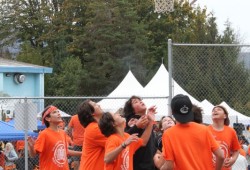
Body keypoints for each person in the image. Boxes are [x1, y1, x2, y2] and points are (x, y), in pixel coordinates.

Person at [160, 94, 224, 170]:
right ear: (190, 110)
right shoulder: (204, 129)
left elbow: (169, 166)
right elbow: (221, 156)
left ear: (173, 112)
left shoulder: (168, 134)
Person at [27, 105, 81, 170]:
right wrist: (31, 147)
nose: (58, 113)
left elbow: (65, 151)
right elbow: (33, 155)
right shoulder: (44, 134)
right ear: (48, 118)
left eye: (58, 111)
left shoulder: (62, 133)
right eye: (54, 112)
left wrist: (83, 153)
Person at [124, 95, 158, 170]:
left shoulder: (146, 119)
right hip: (140, 165)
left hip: (148, 164)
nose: (140, 102)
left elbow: (151, 145)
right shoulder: (133, 121)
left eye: (140, 100)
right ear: (132, 110)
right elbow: (142, 142)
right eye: (136, 102)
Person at [208, 105, 241, 170]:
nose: (215, 110)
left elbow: (237, 150)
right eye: (213, 110)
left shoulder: (231, 131)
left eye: (219, 109)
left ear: (225, 116)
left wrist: (233, 159)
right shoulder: (206, 130)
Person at [77, 100, 107, 170]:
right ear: (91, 113)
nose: (99, 105)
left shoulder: (94, 127)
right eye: (95, 104)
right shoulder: (94, 128)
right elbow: (119, 141)